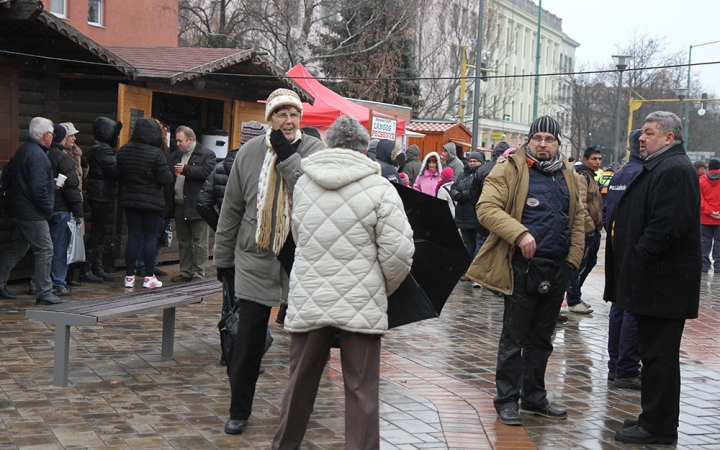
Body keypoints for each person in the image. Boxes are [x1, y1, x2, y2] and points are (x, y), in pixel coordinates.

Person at [271, 114, 413, 450]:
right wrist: (379, 287)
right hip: (361, 302)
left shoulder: (305, 183)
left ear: (330, 144)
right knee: (362, 390)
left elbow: (298, 236)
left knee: (299, 384)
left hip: (309, 296)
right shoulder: (381, 187)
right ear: (366, 149)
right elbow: (399, 254)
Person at [213, 88, 325, 435]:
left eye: (293, 114)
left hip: (300, 259)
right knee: (247, 342)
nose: (288, 120)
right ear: (270, 119)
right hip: (254, 256)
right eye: (281, 114)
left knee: (305, 345)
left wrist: (288, 154)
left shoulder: (315, 151)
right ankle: (239, 409)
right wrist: (223, 256)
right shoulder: (247, 154)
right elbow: (231, 208)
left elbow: (311, 193)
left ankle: (298, 412)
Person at [466, 116, 584, 426]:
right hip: (520, 268)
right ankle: (507, 399)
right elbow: (487, 209)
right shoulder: (510, 169)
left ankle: (534, 397)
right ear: (528, 141)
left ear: (559, 143)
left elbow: (578, 219)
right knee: (514, 339)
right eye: (538, 138)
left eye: (549, 139)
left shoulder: (568, 174)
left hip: (557, 269)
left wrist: (572, 260)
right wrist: (520, 233)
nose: (543, 144)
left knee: (542, 340)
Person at [607, 112, 700, 445]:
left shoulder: (675, 170)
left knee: (659, 358)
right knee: (653, 356)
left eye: (649, 133)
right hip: (655, 285)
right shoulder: (662, 167)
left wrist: (638, 256)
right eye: (642, 134)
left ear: (669, 138)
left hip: (663, 287)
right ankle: (653, 416)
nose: (641, 139)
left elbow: (666, 227)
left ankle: (658, 428)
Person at [0, 117, 64, 305]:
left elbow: (29, 181)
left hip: (21, 209)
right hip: (32, 212)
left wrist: (49, 183)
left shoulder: (25, 151)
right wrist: (47, 209)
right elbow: (37, 188)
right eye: (52, 134)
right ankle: (44, 292)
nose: (52, 137)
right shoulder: (37, 155)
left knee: (16, 250)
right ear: (46, 135)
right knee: (45, 249)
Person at [603, 129, 643, 391]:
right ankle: (627, 368)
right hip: (633, 246)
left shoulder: (620, 173)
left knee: (619, 305)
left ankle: (615, 366)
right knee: (633, 308)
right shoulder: (642, 174)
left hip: (616, 244)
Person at [117, 118, 173, 289]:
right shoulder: (157, 153)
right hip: (152, 202)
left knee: (133, 236)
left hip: (130, 199)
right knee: (150, 237)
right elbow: (166, 179)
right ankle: (149, 277)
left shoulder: (124, 150)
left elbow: (119, 173)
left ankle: (128, 277)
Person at [29, 124, 83, 296]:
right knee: (59, 248)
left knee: (42, 249)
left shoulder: (39, 154)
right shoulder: (62, 157)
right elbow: (72, 188)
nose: (74, 139)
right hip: (60, 209)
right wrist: (79, 211)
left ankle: (34, 282)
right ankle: (58, 282)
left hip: (41, 208)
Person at [165, 126, 216, 282]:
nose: (177, 143)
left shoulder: (207, 154)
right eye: (177, 140)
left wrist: (187, 169)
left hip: (198, 205)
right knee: (184, 241)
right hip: (179, 204)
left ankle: (198, 273)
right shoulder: (174, 156)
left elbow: (208, 173)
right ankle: (185, 271)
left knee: (199, 242)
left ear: (191, 140)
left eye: (180, 140)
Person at [82, 116, 122, 283]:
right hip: (101, 193)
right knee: (98, 231)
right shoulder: (103, 150)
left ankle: (95, 267)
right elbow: (115, 171)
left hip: (99, 193)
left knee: (100, 230)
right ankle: (87, 269)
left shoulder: (98, 148)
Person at [565, 147, 603, 315]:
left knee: (589, 263)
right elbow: (581, 205)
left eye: (599, 159)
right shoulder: (582, 177)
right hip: (586, 231)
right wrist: (589, 227)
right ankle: (573, 300)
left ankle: (576, 295)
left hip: (593, 230)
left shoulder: (591, 176)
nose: (598, 162)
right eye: (594, 159)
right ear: (585, 159)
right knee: (579, 266)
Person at [59, 122, 87, 287]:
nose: (74, 138)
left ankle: (68, 276)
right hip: (68, 203)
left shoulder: (76, 154)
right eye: (71, 135)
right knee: (66, 240)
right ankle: (62, 278)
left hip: (77, 201)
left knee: (74, 239)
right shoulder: (61, 155)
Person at [450, 151, 483, 257]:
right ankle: (467, 266)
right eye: (470, 161)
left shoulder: (481, 174)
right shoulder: (463, 174)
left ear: (481, 163)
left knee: (476, 244)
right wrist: (456, 195)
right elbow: (453, 187)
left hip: (474, 214)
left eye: (475, 161)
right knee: (467, 243)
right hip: (462, 215)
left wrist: (463, 195)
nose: (472, 163)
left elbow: (477, 190)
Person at [700, 159, 720, 273]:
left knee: (704, 241)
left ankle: (704, 264)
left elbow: (700, 200)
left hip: (705, 218)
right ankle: (718, 265)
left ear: (709, 168)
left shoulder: (701, 181)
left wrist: (710, 212)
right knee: (719, 242)